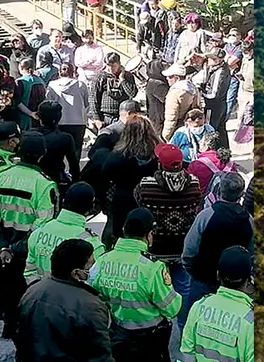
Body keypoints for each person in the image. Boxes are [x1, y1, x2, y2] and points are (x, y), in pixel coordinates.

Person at [0, 131, 58, 338]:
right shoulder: (44, 184)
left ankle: (8, 323)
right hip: (25, 252)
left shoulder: (0, 177)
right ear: (42, 154)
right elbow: (42, 227)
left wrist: (2, 247)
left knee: (6, 289)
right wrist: (13, 249)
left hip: (3, 248)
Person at [91, 208, 182, 362]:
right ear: (149, 235)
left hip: (117, 335)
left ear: (124, 230)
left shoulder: (102, 260)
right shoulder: (153, 268)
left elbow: (94, 295)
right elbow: (172, 308)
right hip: (150, 341)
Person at [134, 143, 200, 324]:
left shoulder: (146, 185)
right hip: (181, 247)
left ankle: (160, 322)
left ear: (159, 164)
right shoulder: (194, 184)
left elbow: (138, 201)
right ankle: (183, 325)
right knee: (183, 287)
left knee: (155, 288)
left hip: (156, 250)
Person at [17, 239, 112, 362]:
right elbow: (99, 355)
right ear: (76, 273)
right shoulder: (90, 306)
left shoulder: (32, 292)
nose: (94, 267)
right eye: (91, 263)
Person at [181, 173, 252, 326]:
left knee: (192, 323)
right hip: (234, 287)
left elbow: (189, 250)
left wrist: (193, 271)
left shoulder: (206, 216)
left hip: (204, 279)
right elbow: (252, 254)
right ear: (241, 194)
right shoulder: (249, 221)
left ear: (220, 190)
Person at [179, 246, 254, 362]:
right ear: (249, 280)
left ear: (218, 275)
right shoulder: (249, 322)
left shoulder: (199, 307)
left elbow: (186, 355)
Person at [101, 116, 161, 248]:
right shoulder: (158, 156)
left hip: (122, 201)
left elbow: (105, 173)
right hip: (151, 201)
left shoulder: (117, 156)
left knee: (117, 234)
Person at [25, 182, 104, 282]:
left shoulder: (38, 233)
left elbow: (30, 272)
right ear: (91, 208)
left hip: (40, 290)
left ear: (63, 201)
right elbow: (96, 283)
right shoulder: (92, 245)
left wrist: (40, 290)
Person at [47, 63, 89, 160]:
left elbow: (48, 102)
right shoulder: (81, 85)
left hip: (59, 121)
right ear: (73, 72)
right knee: (76, 150)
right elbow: (86, 103)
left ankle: (60, 168)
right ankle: (75, 168)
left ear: (59, 72)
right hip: (78, 121)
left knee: (58, 151)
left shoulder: (52, 85)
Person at [88, 52, 138, 131]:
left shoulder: (128, 76)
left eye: (114, 66)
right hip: (106, 117)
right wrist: (96, 118)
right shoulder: (100, 77)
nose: (111, 69)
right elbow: (93, 99)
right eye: (108, 66)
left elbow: (132, 93)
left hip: (123, 116)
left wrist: (122, 79)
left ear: (119, 64)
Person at [37, 101, 80, 185]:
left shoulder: (29, 135)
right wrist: (76, 181)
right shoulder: (65, 138)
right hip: (55, 178)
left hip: (33, 176)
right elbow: (73, 164)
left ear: (39, 116)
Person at [188, 138, 236, 209]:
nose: (199, 143)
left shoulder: (196, 164)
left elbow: (191, 187)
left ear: (206, 146)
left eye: (201, 141)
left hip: (205, 205)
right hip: (228, 205)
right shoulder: (230, 164)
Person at [201, 48, 232, 150]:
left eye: (212, 58)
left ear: (219, 60)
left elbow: (214, 94)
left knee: (210, 130)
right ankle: (224, 153)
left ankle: (211, 153)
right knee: (221, 130)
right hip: (221, 104)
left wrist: (201, 93)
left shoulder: (220, 72)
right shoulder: (220, 68)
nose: (209, 60)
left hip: (213, 105)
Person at [161, 64, 201, 141]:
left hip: (178, 129)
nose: (167, 78)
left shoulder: (174, 93)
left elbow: (171, 117)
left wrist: (166, 135)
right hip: (191, 126)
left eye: (170, 76)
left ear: (177, 78)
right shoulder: (193, 88)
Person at [15, 57, 47, 130]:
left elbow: (18, 101)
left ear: (20, 67)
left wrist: (31, 113)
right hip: (39, 118)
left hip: (24, 118)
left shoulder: (20, 82)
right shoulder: (40, 80)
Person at [145, 56, 171, 134]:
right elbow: (168, 99)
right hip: (159, 120)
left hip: (155, 118)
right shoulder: (158, 84)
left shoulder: (152, 80)